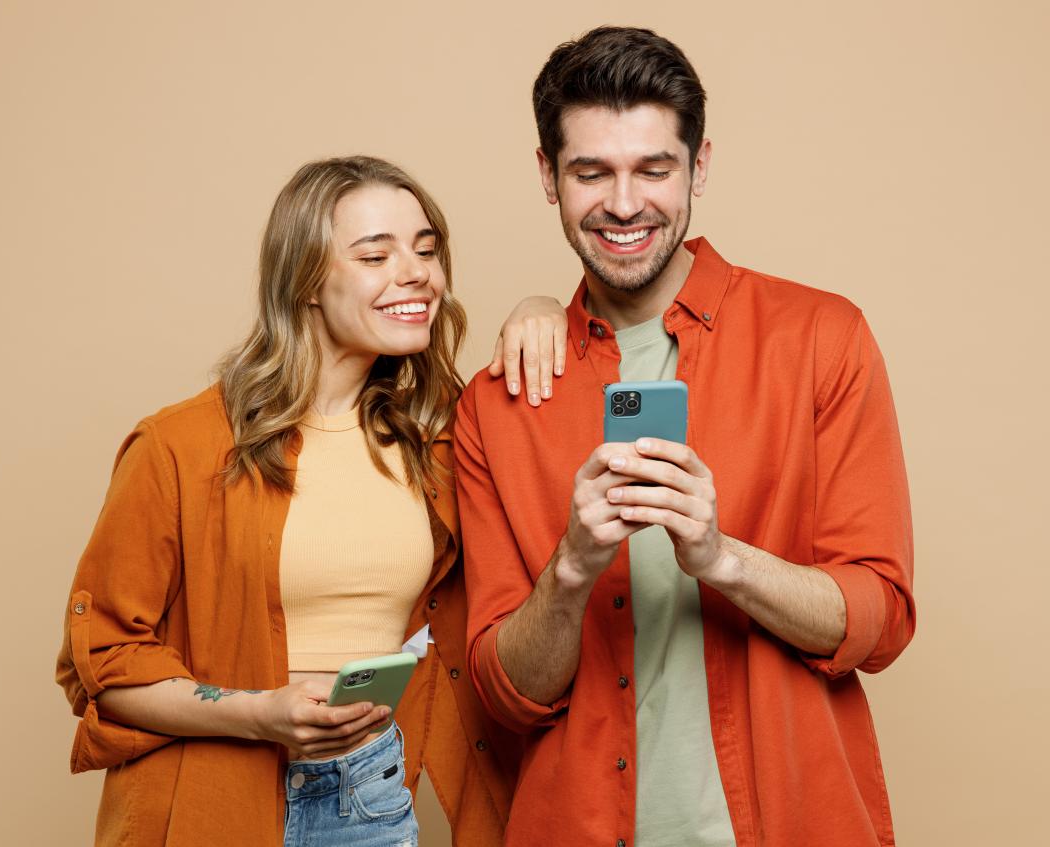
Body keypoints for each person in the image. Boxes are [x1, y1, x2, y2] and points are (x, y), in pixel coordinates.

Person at [456, 27, 915, 847]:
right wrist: (570, 570)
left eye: (654, 169)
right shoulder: (498, 400)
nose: (624, 203)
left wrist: (720, 559)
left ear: (699, 167)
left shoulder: (822, 338)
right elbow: (502, 691)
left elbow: (879, 619)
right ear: (547, 176)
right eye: (591, 171)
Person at [55, 155, 567, 846]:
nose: (415, 272)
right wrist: (261, 712)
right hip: (216, 802)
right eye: (375, 254)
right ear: (306, 283)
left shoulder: (442, 438)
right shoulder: (178, 447)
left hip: (371, 795)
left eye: (425, 248)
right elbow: (104, 667)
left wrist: (542, 308)